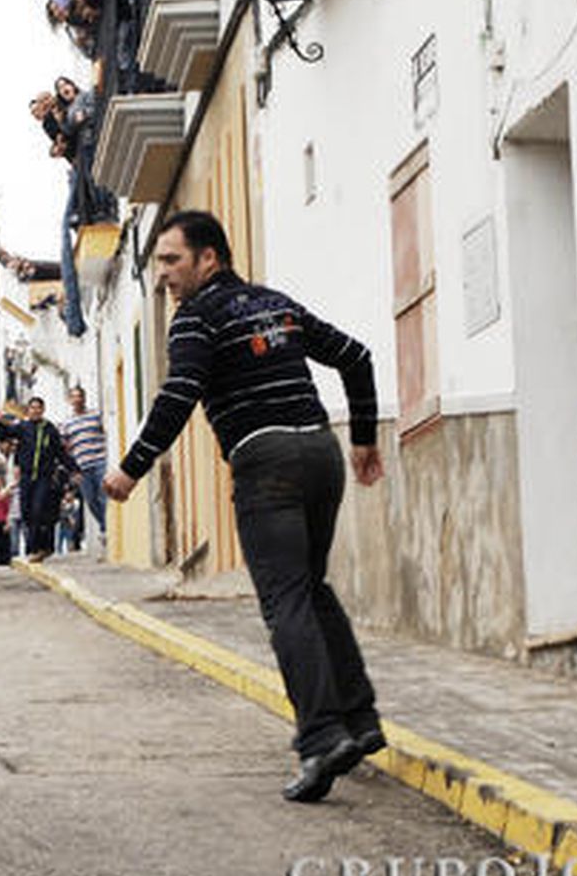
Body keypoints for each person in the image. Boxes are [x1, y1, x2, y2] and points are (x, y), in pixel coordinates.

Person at [103, 210, 386, 804]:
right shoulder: (275, 303)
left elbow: (179, 393)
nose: (163, 276)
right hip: (320, 452)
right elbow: (356, 356)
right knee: (310, 587)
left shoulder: (195, 319)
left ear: (211, 258)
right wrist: (362, 438)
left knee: (285, 601)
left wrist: (131, 468)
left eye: (172, 260)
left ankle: (322, 737)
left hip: (266, 462)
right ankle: (359, 721)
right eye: (158, 263)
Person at [0, 396, 80, 562]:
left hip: (44, 477)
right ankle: (40, 548)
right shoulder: (23, 427)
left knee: (38, 511)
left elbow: (60, 452)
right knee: (27, 513)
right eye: (32, 408)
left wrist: (74, 469)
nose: (35, 411)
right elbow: (3, 435)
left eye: (38, 408)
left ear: (43, 410)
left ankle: (39, 548)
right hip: (26, 478)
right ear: (28, 410)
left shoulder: (50, 429)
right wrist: (1, 421)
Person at [61, 385, 108, 545]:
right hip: (82, 466)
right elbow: (65, 447)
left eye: (79, 396)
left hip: (100, 461)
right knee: (90, 500)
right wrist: (72, 470)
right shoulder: (67, 423)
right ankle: (103, 524)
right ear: (70, 401)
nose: (77, 400)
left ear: (84, 398)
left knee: (103, 496)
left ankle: (105, 528)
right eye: (74, 397)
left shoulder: (96, 415)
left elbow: (105, 432)